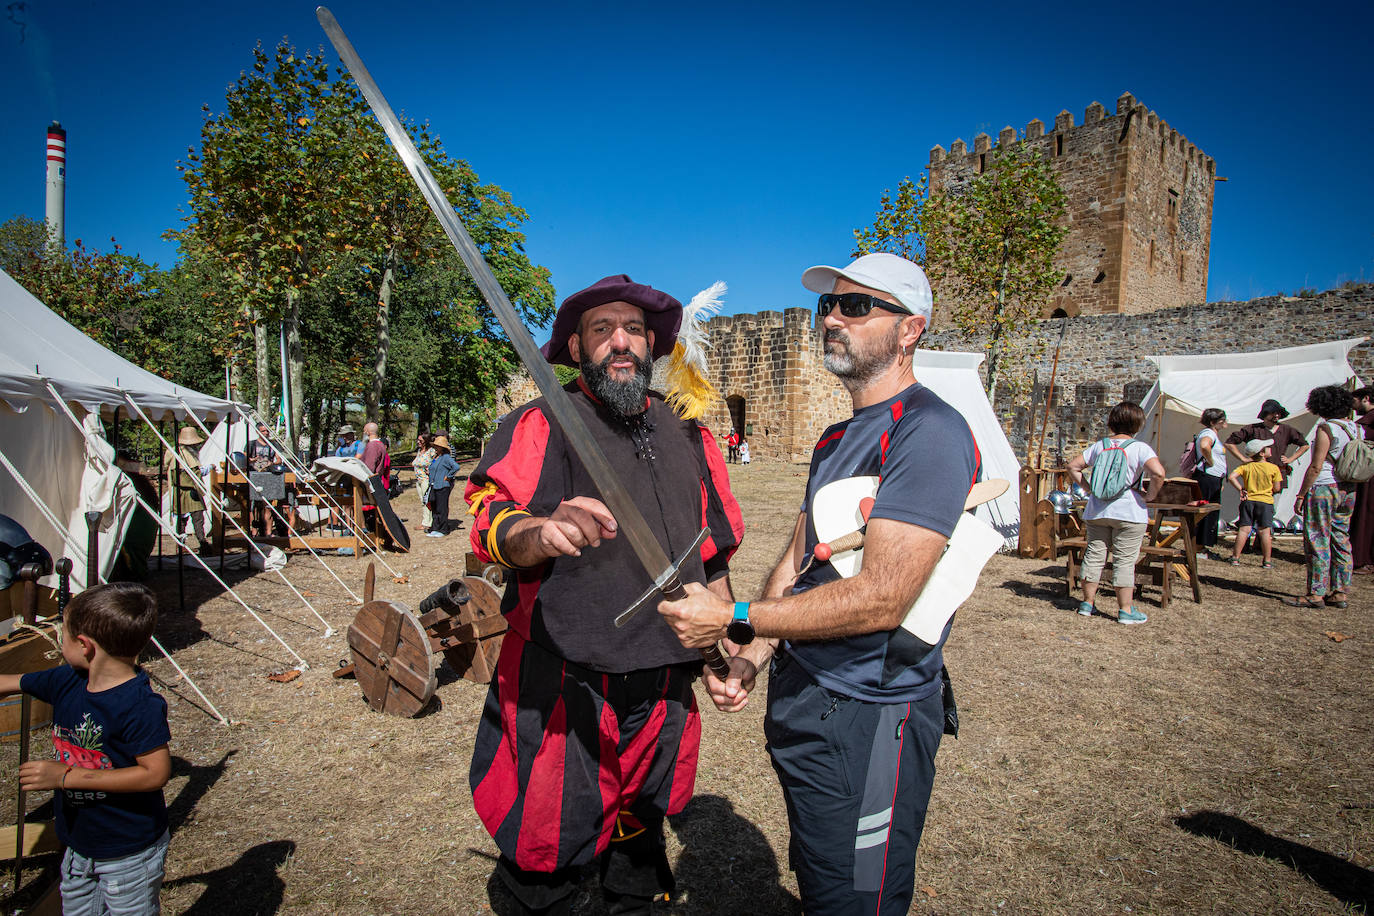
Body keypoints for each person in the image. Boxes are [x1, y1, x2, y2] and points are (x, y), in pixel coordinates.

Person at [657, 252, 975, 915]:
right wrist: (751, 650)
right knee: (826, 875)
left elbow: (885, 597)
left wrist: (730, 613)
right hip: (805, 695)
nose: (832, 318)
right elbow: (798, 565)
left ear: (910, 329)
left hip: (872, 713)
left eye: (856, 306)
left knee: (860, 896)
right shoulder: (836, 439)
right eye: (826, 306)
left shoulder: (930, 431)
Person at [465, 274, 743, 915]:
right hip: (566, 683)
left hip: (664, 681)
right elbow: (487, 516)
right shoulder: (540, 424)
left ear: (651, 344)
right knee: (547, 855)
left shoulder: (691, 435)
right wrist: (540, 529)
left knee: (639, 848)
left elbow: (714, 553)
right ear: (577, 346)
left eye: (634, 330)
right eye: (601, 330)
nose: (620, 343)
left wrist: (725, 646)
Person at [0, 582, 172, 915]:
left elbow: (155, 773)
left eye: (61, 635)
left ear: (84, 645)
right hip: (79, 843)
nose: (59, 641)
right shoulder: (67, 681)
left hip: (128, 850)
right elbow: (12, 681)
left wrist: (66, 776)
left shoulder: (139, 705)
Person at [1067, 402, 1167, 624]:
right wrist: (1149, 496)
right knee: (1124, 561)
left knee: (1093, 556)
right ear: (1138, 424)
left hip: (1098, 510)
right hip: (1129, 511)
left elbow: (1073, 467)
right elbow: (1158, 473)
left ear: (1112, 422)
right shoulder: (1139, 448)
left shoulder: (1099, 446)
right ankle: (1125, 609)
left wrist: (1090, 489)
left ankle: (1087, 603)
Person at [1284, 385, 1361, 609]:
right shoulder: (1355, 428)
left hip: (1324, 487)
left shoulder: (1326, 428)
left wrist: (1301, 494)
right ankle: (1339, 591)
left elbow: (1316, 466)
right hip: (1348, 488)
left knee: (1318, 538)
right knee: (1341, 538)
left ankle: (1316, 593)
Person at [1225, 399, 1309, 492]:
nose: (1276, 415)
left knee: (1275, 504)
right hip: (1258, 476)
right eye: (1273, 412)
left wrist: (1291, 459)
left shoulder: (1286, 430)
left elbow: (1304, 445)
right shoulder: (1253, 429)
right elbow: (1229, 443)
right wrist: (1243, 459)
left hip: (1278, 474)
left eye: (1278, 413)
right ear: (1265, 413)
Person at [1227, 439, 1282, 568]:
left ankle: (1235, 558)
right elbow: (1277, 488)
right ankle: (1267, 561)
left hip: (1249, 501)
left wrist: (1241, 489)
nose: (1270, 448)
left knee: (1244, 530)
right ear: (1262, 453)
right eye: (1267, 447)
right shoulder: (1274, 468)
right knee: (1264, 532)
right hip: (1266, 502)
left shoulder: (1246, 467)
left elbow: (1231, 477)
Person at [166, 426, 211, 555]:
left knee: (192, 520)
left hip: (187, 491)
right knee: (193, 520)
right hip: (187, 492)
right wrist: (210, 467)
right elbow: (193, 473)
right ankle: (194, 543)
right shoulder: (182, 454)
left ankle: (193, 543)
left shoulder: (181, 453)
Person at [1191, 408, 1228, 555]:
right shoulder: (1208, 433)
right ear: (1213, 422)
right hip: (1207, 477)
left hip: (1212, 478)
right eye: (1222, 419)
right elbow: (1205, 445)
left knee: (1209, 511)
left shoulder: (1211, 434)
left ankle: (1201, 545)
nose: (1225, 422)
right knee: (1204, 512)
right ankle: (1197, 546)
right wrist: (1210, 461)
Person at [245, 422, 287, 537]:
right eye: (263, 431)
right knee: (253, 506)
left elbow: (279, 459)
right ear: (258, 432)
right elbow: (244, 458)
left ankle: (268, 533)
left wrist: (271, 462)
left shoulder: (274, 445)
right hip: (254, 476)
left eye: (267, 431)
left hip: (268, 477)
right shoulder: (251, 444)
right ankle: (254, 531)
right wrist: (253, 460)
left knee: (267, 506)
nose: (266, 433)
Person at [1352, 386, 1374, 574]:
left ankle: (1365, 558)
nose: (1354, 405)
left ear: (1366, 398)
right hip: (1367, 474)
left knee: (1367, 513)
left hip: (1369, 475)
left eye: (1355, 401)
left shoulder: (1369, 422)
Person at [425, 436, 459, 538]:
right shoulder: (436, 457)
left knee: (442, 508)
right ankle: (435, 528)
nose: (436, 447)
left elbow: (456, 467)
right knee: (434, 507)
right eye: (435, 445)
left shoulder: (446, 457)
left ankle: (443, 529)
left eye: (438, 446)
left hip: (443, 486)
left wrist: (448, 476)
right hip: (433, 486)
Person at [412, 431, 436, 533]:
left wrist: (431, 469)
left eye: (420, 440)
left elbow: (436, 461)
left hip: (426, 480)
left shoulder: (431, 451)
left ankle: (428, 523)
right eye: (418, 440)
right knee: (423, 502)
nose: (418, 442)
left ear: (426, 441)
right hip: (419, 480)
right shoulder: (419, 451)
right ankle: (425, 521)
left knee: (427, 501)